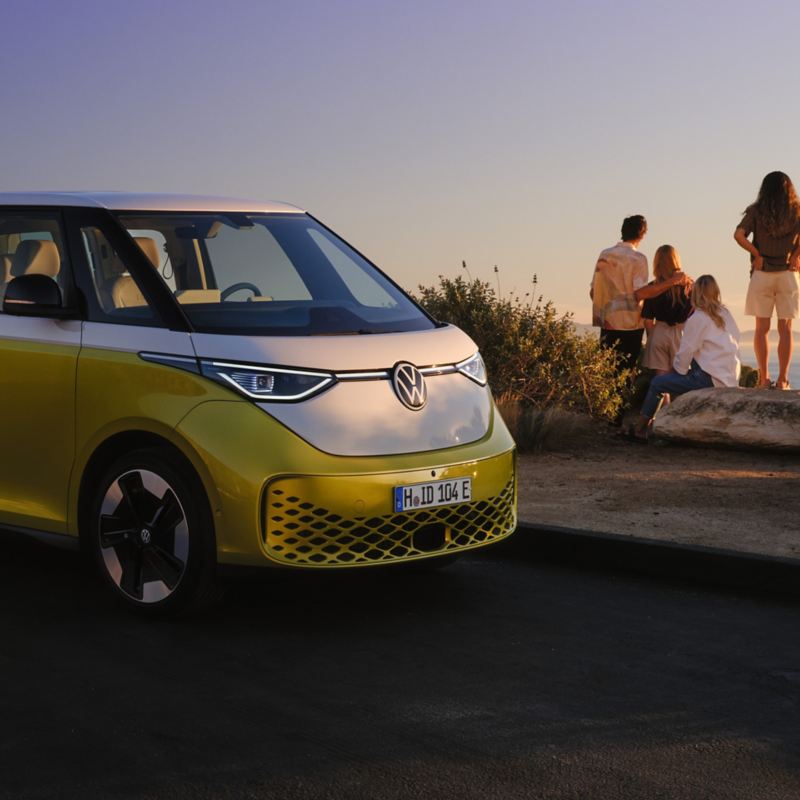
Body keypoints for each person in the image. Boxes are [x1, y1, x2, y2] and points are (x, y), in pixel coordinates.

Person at [632, 275, 740, 440]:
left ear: (694, 294)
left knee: (657, 384)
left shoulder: (698, 317)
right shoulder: (725, 313)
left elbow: (685, 353)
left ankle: (640, 428)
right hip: (730, 376)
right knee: (682, 375)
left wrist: (677, 372)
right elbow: (736, 339)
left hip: (709, 378)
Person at [734, 171, 800, 389]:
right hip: (788, 275)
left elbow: (738, 235)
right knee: (786, 329)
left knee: (761, 328)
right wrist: (796, 258)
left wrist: (757, 254)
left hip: (762, 274)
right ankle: (783, 379)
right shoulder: (796, 210)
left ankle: (764, 379)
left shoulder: (757, 210)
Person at [591, 215, 649, 374]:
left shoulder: (604, 255)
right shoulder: (639, 259)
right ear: (642, 234)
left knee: (606, 373)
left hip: (607, 323)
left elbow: (593, 292)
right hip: (631, 325)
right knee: (626, 372)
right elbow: (639, 293)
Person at [635, 245, 693, 376]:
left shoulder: (653, 288)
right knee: (680, 378)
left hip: (659, 332)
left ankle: (663, 397)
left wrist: (652, 339)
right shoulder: (688, 287)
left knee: (661, 381)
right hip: (680, 333)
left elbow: (648, 320)